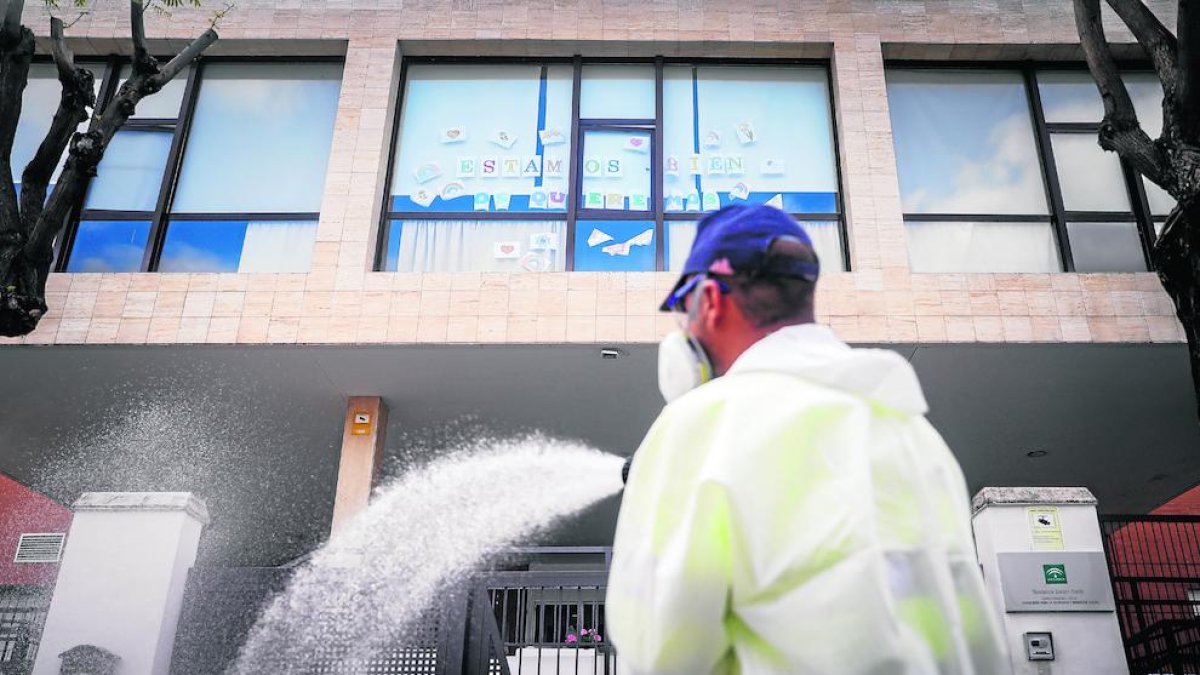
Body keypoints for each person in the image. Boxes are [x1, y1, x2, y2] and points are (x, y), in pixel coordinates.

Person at [606, 204, 1008, 674]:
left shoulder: (702, 426)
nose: (682, 331)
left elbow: (659, 652)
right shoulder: (911, 433)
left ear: (710, 299)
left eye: (683, 310)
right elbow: (972, 634)